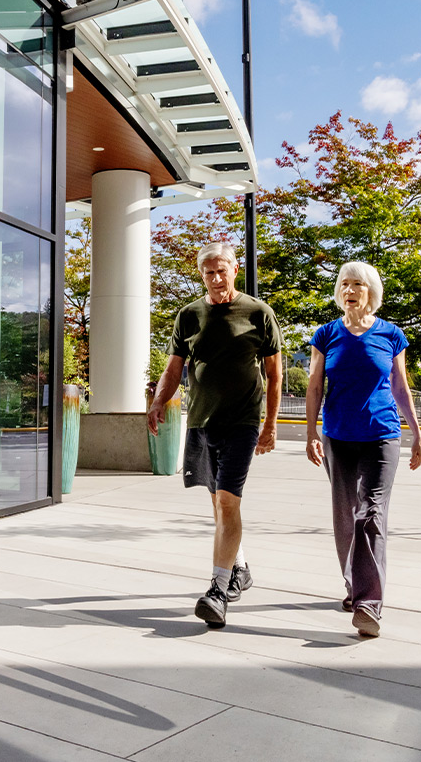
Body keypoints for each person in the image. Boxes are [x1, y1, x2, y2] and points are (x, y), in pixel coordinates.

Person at [148, 242, 282, 629]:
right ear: (201, 274)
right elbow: (174, 370)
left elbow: (275, 376)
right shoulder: (189, 315)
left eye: (222, 270)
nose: (216, 278)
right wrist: (158, 403)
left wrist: (270, 424)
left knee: (226, 502)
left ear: (235, 269)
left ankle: (218, 590)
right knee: (218, 504)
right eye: (209, 272)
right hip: (201, 423)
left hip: (242, 423)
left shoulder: (258, 313)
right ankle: (240, 568)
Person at [305, 261, 421, 638]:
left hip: (382, 434)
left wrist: (418, 433)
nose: (349, 289)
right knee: (345, 516)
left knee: (370, 514)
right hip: (338, 436)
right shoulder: (326, 334)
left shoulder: (391, 334)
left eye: (357, 283)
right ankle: (353, 586)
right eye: (344, 283)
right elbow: (313, 387)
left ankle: (369, 603)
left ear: (371, 290)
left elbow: (401, 387)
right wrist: (310, 432)